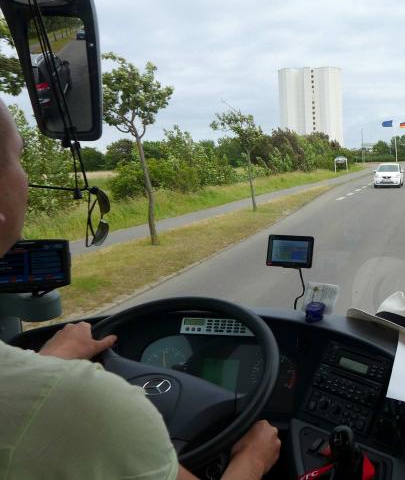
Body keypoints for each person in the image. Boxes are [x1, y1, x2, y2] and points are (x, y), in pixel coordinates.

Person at [0, 98, 281, 479]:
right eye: (20, 159)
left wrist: (49, 362)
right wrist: (253, 459)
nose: (27, 178)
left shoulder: (41, 391)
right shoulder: (93, 405)